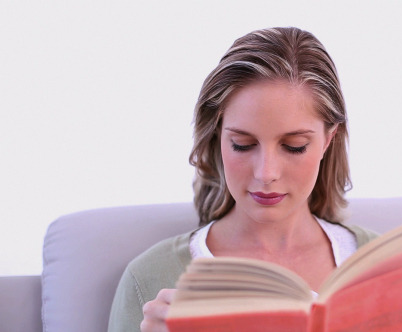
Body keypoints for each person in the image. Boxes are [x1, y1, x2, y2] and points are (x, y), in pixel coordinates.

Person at [107, 26, 378, 332]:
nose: (266, 173)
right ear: (217, 137)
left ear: (328, 140)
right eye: (243, 145)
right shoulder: (149, 279)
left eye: (294, 146)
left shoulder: (386, 268)